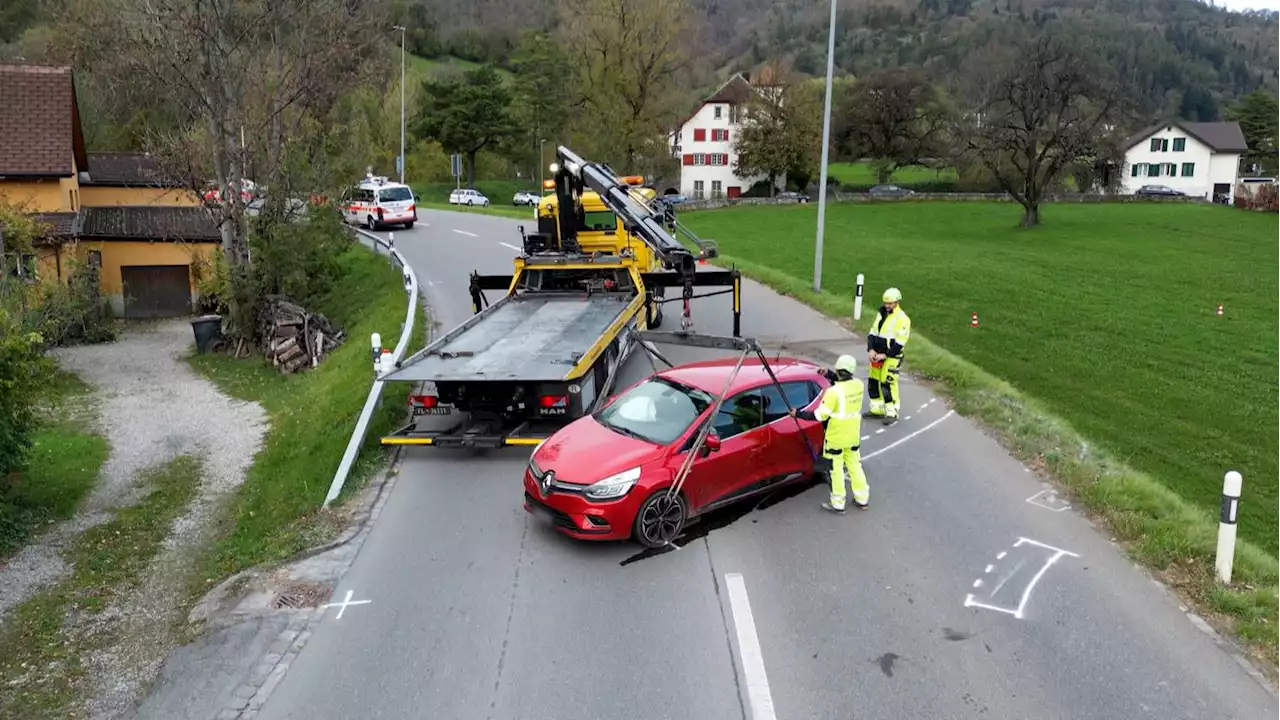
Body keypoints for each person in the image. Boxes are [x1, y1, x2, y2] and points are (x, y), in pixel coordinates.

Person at [788, 354, 870, 513]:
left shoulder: (833, 392)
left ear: (838, 370)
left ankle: (838, 503)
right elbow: (845, 382)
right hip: (853, 435)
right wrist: (830, 374)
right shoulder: (859, 385)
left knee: (835, 469)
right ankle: (862, 498)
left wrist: (797, 414)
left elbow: (819, 416)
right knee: (854, 465)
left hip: (836, 437)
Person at [864, 287, 911, 425]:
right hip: (876, 354)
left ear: (897, 302)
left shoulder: (903, 319)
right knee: (873, 382)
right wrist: (871, 349)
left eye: (890, 303)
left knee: (887, 383)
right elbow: (872, 333)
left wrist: (886, 355)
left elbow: (900, 342)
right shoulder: (881, 314)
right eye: (886, 303)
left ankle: (892, 412)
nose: (887, 306)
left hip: (891, 357)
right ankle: (876, 409)